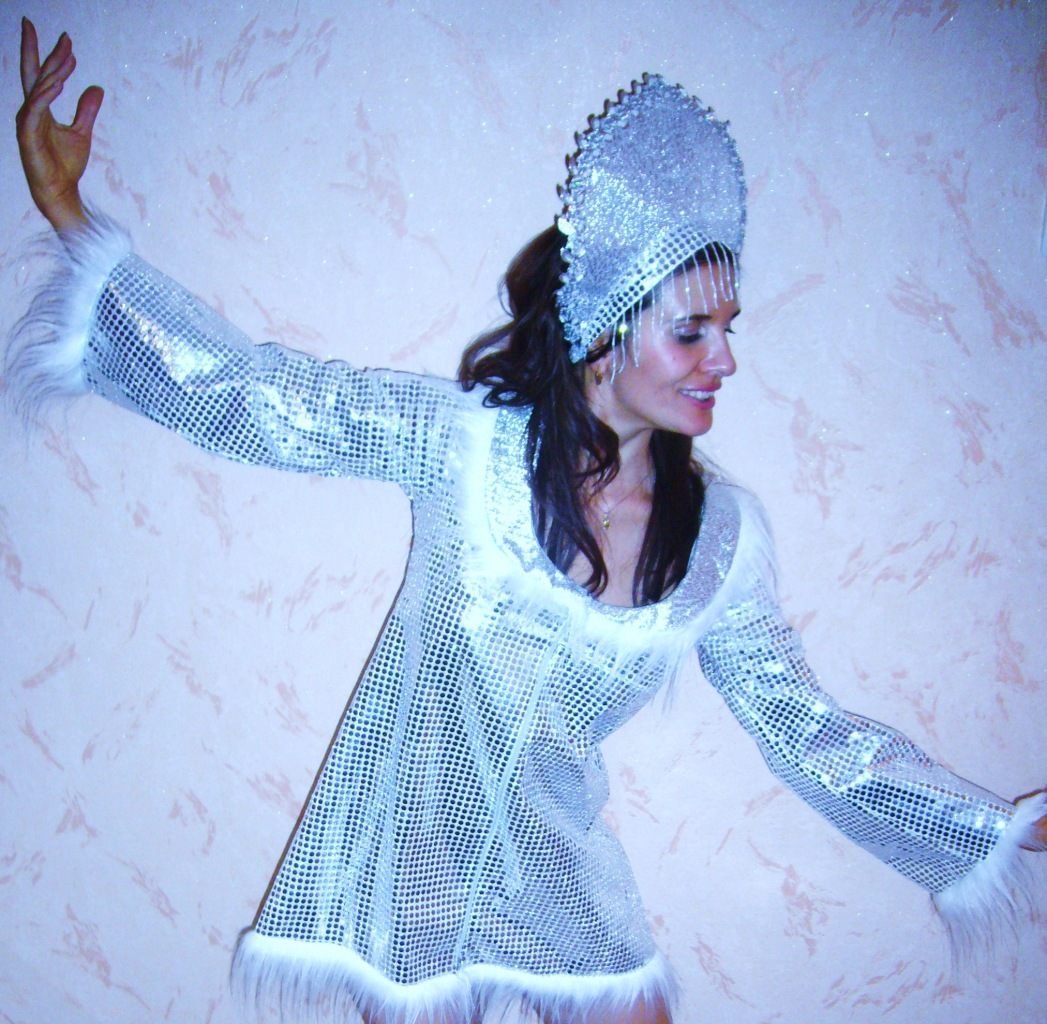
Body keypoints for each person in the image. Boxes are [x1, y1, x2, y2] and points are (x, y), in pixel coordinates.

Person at [10, 18, 1046, 1024]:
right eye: (691, 330)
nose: (725, 361)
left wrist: (990, 828)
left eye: (728, 328)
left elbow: (801, 726)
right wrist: (73, 216)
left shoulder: (718, 539)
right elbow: (263, 398)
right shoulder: (464, 448)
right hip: (413, 866)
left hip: (559, 867)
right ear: (605, 328)